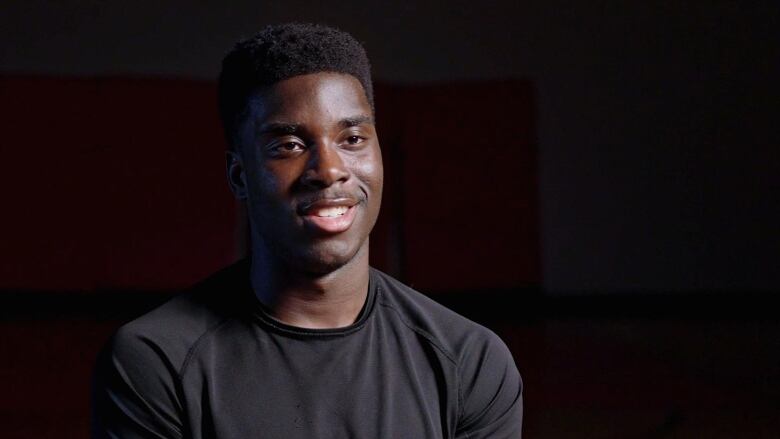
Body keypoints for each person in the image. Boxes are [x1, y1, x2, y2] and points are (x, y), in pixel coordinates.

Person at [92, 23, 523, 438]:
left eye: (352, 138)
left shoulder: (469, 361)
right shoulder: (157, 361)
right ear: (240, 176)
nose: (330, 171)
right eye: (290, 146)